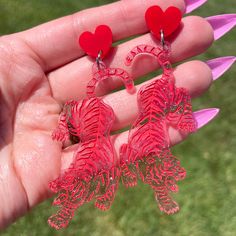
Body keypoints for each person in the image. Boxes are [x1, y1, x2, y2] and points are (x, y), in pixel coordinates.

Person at [0, 0, 228, 229]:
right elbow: (69, 119)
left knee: (128, 159)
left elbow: (173, 106)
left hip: (134, 131)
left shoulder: (157, 95)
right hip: (99, 139)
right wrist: (63, 129)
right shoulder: (83, 109)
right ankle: (98, 192)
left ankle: (139, 186)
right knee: (87, 167)